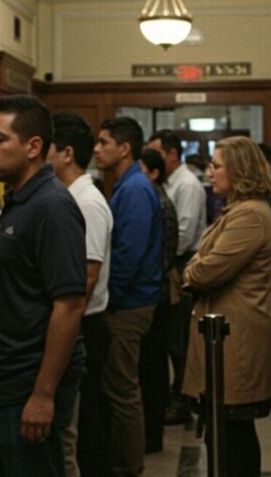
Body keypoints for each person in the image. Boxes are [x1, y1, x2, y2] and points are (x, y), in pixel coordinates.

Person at [0, 94, 87, 476]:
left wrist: (43, 395)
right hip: (4, 377)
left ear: (33, 146)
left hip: (27, 382)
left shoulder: (52, 206)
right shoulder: (22, 198)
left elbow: (69, 305)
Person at [181, 136, 271, 477]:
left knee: (232, 437)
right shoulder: (237, 210)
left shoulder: (249, 215)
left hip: (236, 338)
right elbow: (201, 259)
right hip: (226, 332)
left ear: (239, 170)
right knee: (224, 433)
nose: (211, 171)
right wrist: (196, 266)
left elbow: (205, 270)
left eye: (217, 165)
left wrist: (193, 270)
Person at [93, 117, 162, 477]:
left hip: (130, 303)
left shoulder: (134, 189)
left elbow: (128, 255)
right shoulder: (127, 184)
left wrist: (109, 299)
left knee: (121, 388)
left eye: (104, 143)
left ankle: (127, 465)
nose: (96, 149)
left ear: (124, 148)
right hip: (131, 299)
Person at [48, 113, 114, 477]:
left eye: (48, 148)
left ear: (66, 154)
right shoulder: (71, 196)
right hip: (80, 321)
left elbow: (87, 276)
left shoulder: (85, 201)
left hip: (85, 322)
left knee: (84, 421)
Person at [147, 130, 206, 425]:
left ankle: (183, 399)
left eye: (156, 151)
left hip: (181, 264)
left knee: (179, 338)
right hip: (171, 262)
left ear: (171, 154)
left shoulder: (188, 185)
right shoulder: (170, 182)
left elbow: (182, 235)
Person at [137, 147, 179, 453]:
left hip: (155, 293)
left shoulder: (157, 202)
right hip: (156, 290)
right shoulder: (154, 197)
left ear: (153, 172)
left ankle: (152, 433)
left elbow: (159, 256)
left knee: (152, 366)